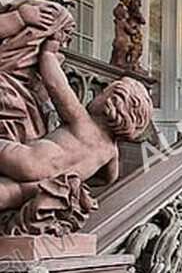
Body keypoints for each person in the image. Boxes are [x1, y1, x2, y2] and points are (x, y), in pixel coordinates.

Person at [0, 38, 154, 213]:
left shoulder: (83, 122)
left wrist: (48, 54)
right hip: (46, 186)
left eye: (103, 92)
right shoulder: (111, 154)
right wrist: (75, 174)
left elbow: (56, 85)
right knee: (9, 194)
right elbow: (107, 180)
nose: (97, 94)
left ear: (110, 104)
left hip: (31, 159)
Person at [0, 0, 75, 142]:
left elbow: (46, 90)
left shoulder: (49, 58)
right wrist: (20, 17)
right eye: (64, 33)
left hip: (23, 94)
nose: (62, 42)